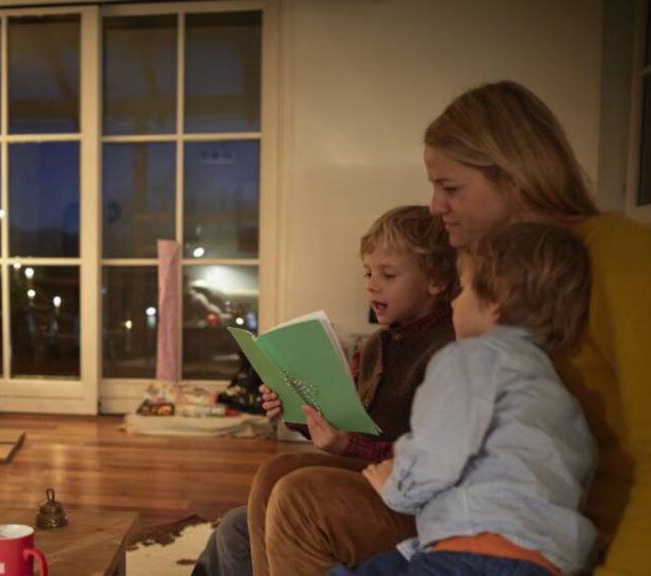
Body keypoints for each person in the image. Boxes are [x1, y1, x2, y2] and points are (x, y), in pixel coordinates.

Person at [253, 80, 651, 576]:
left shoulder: (618, 254)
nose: (436, 206)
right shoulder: (488, 284)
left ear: (513, 176)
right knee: (280, 472)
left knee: (300, 498)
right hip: (496, 495)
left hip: (524, 525)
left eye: (450, 187)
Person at [192, 205, 458, 576]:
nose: (371, 284)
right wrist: (296, 408)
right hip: (368, 471)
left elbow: (424, 455)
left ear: (436, 281)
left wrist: (347, 444)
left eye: (388, 274)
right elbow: (341, 417)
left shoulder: (450, 350)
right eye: (368, 272)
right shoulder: (377, 345)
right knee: (273, 472)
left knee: (291, 492)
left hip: (409, 497)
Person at [329, 222, 597, 576]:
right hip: (547, 562)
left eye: (464, 288)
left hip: (475, 553)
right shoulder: (559, 392)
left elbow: (437, 448)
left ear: (496, 299)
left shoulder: (471, 358)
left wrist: (394, 485)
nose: (454, 301)